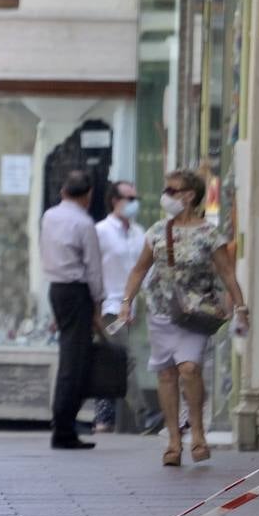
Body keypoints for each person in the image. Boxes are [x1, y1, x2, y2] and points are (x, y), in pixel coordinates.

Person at [116, 169, 248, 466]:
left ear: (189, 196)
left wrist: (240, 307)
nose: (166, 196)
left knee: (189, 368)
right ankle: (174, 440)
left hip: (196, 313)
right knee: (166, 374)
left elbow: (227, 273)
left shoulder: (208, 234)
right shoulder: (157, 231)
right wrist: (127, 303)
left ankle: (197, 431)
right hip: (162, 311)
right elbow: (139, 270)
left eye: (172, 190)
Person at [39, 170, 106, 450]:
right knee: (73, 361)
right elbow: (93, 267)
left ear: (63, 191)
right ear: (88, 195)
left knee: (71, 356)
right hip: (77, 290)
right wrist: (98, 302)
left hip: (57, 288)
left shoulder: (49, 216)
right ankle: (64, 428)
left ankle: (63, 424)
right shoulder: (84, 222)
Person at [94, 180, 146, 433]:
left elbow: (146, 269)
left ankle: (106, 417)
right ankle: (143, 414)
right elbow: (93, 270)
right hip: (110, 307)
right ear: (115, 200)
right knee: (125, 359)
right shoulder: (101, 231)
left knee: (114, 360)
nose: (134, 203)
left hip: (137, 307)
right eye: (129, 198)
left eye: (136, 198)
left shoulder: (140, 233)